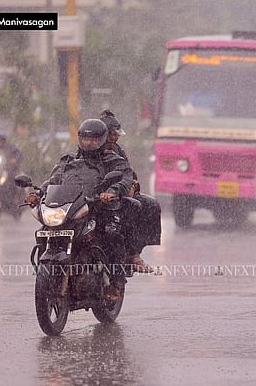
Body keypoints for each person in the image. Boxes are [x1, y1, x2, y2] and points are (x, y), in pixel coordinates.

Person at [26, 118, 134, 303]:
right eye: (85, 138)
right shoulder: (69, 161)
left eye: (93, 139)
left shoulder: (114, 161)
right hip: (71, 209)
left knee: (112, 235)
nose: (89, 142)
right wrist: (38, 193)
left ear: (102, 139)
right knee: (45, 231)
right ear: (80, 139)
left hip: (100, 209)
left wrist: (112, 192)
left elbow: (124, 179)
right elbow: (53, 180)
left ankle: (116, 282)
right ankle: (52, 276)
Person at [99, 109, 161, 274]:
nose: (115, 138)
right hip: (93, 196)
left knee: (146, 205)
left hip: (117, 194)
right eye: (112, 134)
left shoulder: (118, 152)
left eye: (116, 135)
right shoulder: (85, 152)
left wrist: (130, 186)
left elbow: (127, 174)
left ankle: (133, 253)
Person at [0, 130, 22, 204]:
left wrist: (14, 160)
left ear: (3, 140)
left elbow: (18, 155)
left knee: (12, 179)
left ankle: (15, 197)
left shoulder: (11, 148)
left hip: (9, 170)